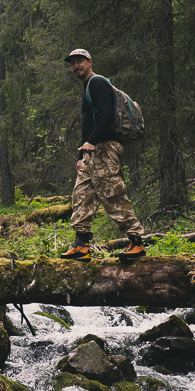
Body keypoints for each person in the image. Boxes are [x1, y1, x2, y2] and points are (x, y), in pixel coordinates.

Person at [60, 48, 146, 262]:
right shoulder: (87, 86)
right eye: (73, 64)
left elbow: (106, 114)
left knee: (112, 194)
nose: (76, 66)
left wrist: (92, 141)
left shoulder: (96, 82)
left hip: (105, 147)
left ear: (90, 62)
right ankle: (81, 245)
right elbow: (88, 124)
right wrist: (81, 156)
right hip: (92, 151)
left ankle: (136, 242)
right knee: (82, 195)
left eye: (80, 61)